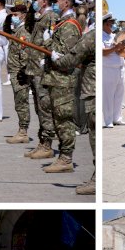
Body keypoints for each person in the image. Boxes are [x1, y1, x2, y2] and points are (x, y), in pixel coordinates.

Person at [50, 23, 97, 194]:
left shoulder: (92, 36)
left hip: (94, 90)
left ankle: (97, 181)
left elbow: (71, 59)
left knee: (95, 137)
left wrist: (56, 59)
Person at [41, 0, 82, 173]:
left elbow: (67, 56)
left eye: (57, 2)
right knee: (58, 119)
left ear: (66, 3)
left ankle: (66, 159)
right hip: (55, 79)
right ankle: (63, 156)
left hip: (63, 80)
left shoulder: (70, 25)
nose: (55, 5)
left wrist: (48, 42)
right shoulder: (62, 23)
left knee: (64, 119)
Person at [23, 0, 58, 161]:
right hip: (34, 68)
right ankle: (42, 141)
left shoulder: (51, 17)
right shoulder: (40, 16)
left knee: (44, 107)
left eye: (37, 0)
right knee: (38, 106)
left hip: (42, 69)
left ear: (44, 1)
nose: (34, 3)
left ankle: (47, 144)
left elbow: (50, 42)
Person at [4, 0, 31, 144]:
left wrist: (22, 71)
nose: (12, 17)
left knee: (22, 102)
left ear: (22, 15)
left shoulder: (24, 31)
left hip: (20, 73)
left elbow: (25, 54)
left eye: (15, 14)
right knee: (18, 102)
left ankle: (23, 131)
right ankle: (22, 129)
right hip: (15, 71)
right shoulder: (17, 30)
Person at [102, 12, 125, 128]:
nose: (112, 26)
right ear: (104, 24)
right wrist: (115, 47)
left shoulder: (114, 36)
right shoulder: (100, 36)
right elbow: (103, 52)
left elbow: (120, 51)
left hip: (120, 68)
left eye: (112, 24)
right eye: (110, 24)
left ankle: (117, 118)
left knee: (119, 94)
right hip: (108, 69)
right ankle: (108, 120)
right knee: (108, 96)